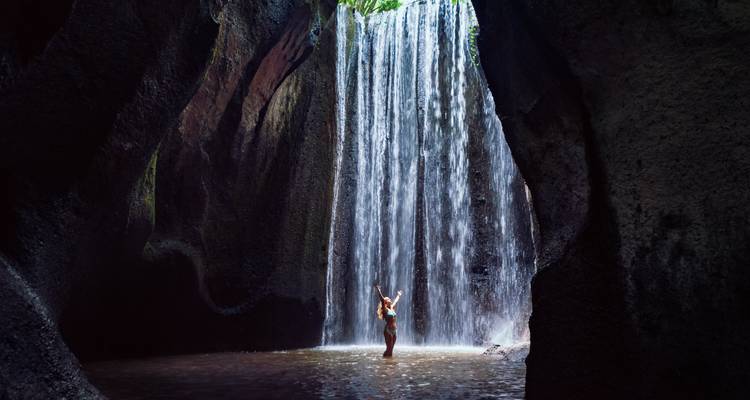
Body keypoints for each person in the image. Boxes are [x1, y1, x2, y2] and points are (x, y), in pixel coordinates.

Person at [374, 284, 402, 357]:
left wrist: (398, 295)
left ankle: (389, 363)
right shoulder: (385, 309)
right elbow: (382, 299)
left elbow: (395, 301)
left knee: (392, 348)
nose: (390, 300)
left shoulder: (392, 308)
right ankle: (385, 359)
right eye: (388, 299)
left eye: (390, 299)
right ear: (386, 302)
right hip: (388, 330)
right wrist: (378, 290)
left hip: (395, 330)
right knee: (388, 348)